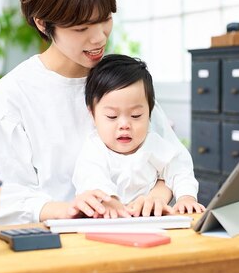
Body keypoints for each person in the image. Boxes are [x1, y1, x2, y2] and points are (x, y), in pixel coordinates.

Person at [0, 0, 187, 225]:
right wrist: (67, 209)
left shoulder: (120, 80)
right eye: (81, 28)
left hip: (137, 235)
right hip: (57, 245)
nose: (99, 38)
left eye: (105, 19)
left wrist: (157, 196)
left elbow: (169, 161)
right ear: (43, 24)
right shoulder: (14, 95)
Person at [73, 54, 205, 218]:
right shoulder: (95, 148)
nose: (124, 125)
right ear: (93, 114)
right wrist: (110, 201)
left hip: (149, 220)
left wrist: (186, 197)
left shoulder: (152, 143)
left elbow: (179, 168)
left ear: (149, 113)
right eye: (112, 117)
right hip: (107, 221)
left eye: (136, 116)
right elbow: (90, 177)